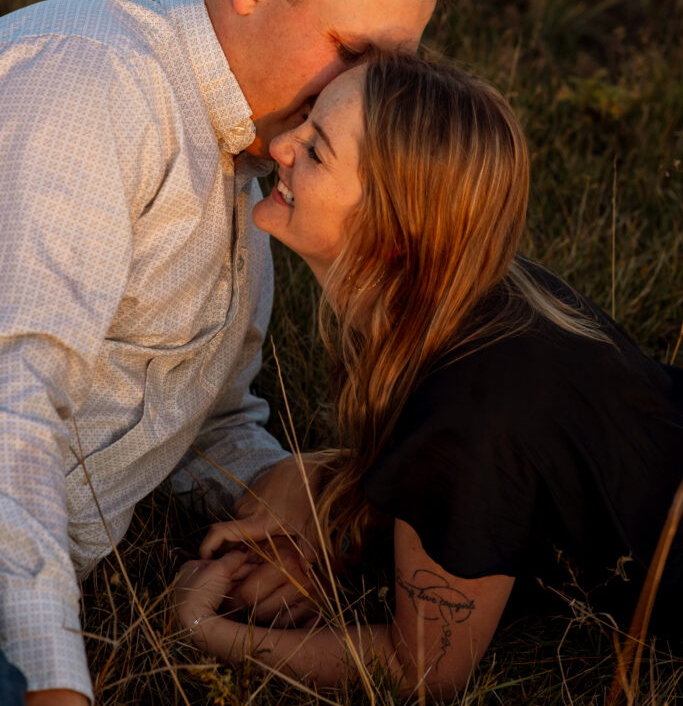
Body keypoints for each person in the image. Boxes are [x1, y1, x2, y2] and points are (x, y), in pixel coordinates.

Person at [0, 0, 451, 705]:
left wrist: (287, 508)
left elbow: (204, 420)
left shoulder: (258, 176)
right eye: (353, 50)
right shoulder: (92, 81)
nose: (367, 96)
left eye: (390, 71)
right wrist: (51, 684)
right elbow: (8, 399)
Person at [175, 53, 683, 698]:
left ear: (391, 231)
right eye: (306, 120)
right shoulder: (468, 290)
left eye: (318, 150)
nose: (278, 145)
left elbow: (424, 670)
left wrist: (206, 631)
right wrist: (323, 491)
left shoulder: (466, 408)